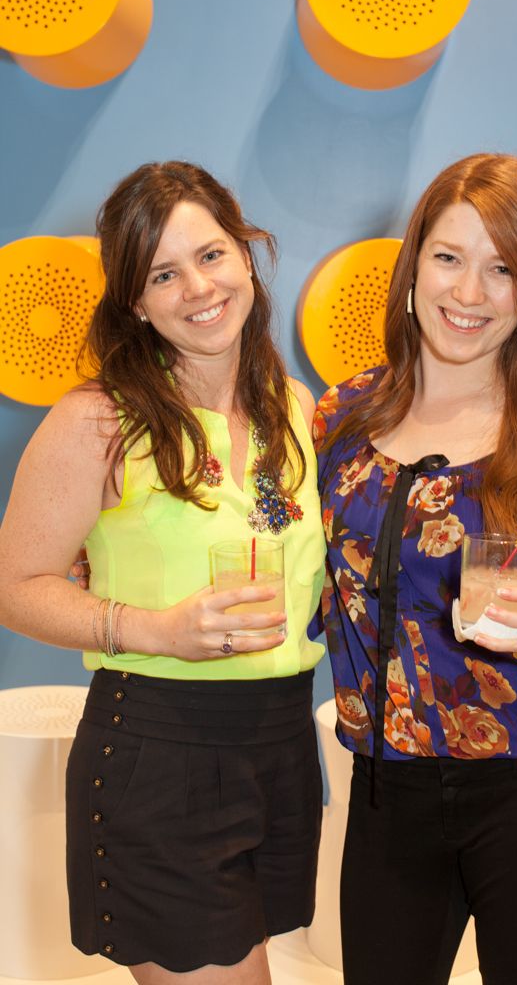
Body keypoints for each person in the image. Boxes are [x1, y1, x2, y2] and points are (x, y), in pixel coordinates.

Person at [0, 161, 326, 985]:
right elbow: (14, 586)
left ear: (246, 255)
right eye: (162, 274)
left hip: (281, 747)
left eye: (210, 255)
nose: (198, 288)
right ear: (135, 303)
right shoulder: (97, 420)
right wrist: (156, 630)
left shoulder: (295, 406)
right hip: (160, 753)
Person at [313, 153, 517, 985]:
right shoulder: (342, 418)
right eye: (449, 257)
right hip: (387, 791)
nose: (468, 292)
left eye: (501, 269)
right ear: (413, 265)